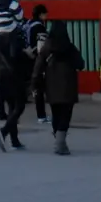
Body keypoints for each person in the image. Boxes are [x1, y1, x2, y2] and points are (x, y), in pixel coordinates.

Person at [32, 19, 85, 156]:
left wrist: (35, 83)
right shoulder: (70, 48)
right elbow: (81, 64)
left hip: (51, 86)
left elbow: (38, 68)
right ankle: (60, 142)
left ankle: (59, 141)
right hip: (68, 86)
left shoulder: (46, 48)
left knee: (55, 113)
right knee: (65, 114)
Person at [0, 18, 32, 151]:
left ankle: (14, 140)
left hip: (3, 75)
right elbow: (17, 56)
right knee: (19, 106)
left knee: (12, 107)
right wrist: (27, 54)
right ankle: (4, 131)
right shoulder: (15, 37)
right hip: (16, 75)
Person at [27, 4, 52, 124]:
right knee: (40, 89)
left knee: (36, 87)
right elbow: (42, 47)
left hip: (27, 57)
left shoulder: (28, 24)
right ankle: (41, 116)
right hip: (37, 60)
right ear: (41, 14)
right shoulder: (39, 27)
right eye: (45, 14)